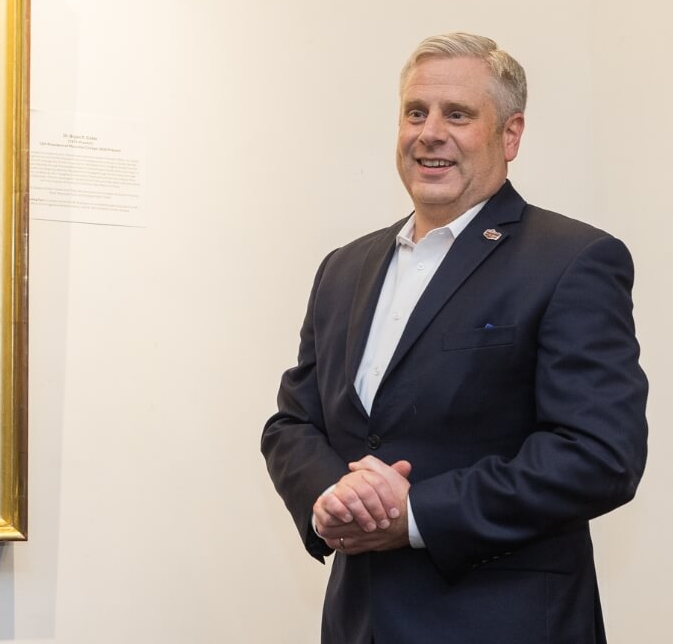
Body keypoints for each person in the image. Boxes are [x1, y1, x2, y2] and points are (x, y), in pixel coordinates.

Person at [260, 32, 647, 643]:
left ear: (510, 135)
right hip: (360, 622)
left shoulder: (574, 259)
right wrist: (332, 496)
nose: (429, 133)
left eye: (458, 115)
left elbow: (599, 455)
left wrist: (414, 515)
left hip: (504, 623)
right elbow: (293, 423)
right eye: (415, 112)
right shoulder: (343, 268)